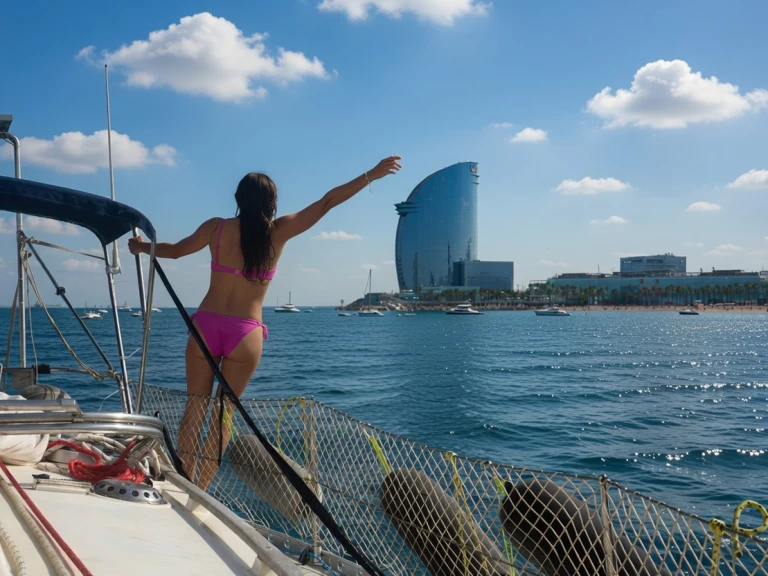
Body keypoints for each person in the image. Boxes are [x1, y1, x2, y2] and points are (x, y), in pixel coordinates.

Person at [128, 155, 402, 488]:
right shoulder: (278, 232)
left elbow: (174, 251)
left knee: (195, 410)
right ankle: (200, 490)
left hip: (206, 328)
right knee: (223, 416)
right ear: (272, 202)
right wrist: (370, 175)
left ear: (238, 199)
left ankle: (183, 480)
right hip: (246, 334)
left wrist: (141, 247)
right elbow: (327, 202)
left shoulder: (215, 228)